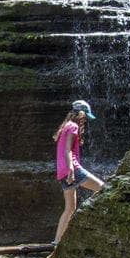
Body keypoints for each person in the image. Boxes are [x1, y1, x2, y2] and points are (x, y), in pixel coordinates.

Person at [52, 99, 105, 246]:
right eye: (85, 116)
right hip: (73, 168)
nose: (86, 119)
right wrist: (71, 169)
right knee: (105, 189)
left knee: (69, 208)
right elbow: (68, 149)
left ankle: (56, 241)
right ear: (79, 114)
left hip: (62, 171)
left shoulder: (65, 126)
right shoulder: (74, 126)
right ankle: (93, 216)